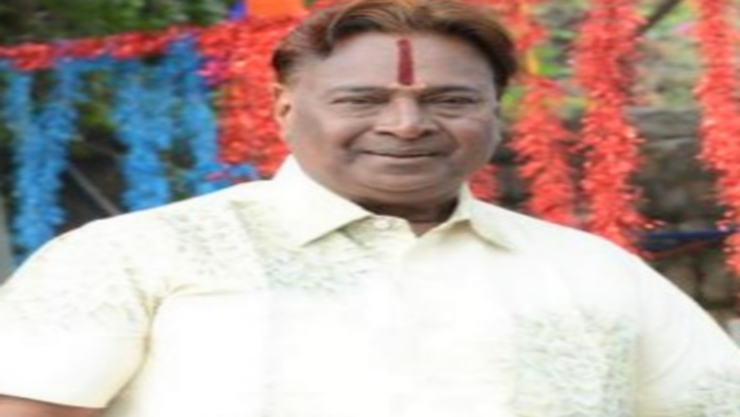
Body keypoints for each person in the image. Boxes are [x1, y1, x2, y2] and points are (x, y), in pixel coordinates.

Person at [1, 0, 739, 415]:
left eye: (451, 100)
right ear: (285, 110)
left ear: (495, 113)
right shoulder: (135, 256)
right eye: (361, 100)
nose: (407, 125)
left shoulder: (592, 272)